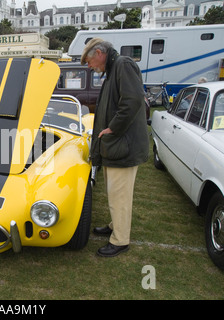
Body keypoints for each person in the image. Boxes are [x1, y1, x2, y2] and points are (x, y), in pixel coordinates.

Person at [81, 38, 149, 257]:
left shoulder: (122, 64)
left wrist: (113, 128)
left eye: (90, 62)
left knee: (119, 194)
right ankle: (115, 224)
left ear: (100, 53)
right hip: (117, 145)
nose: (90, 67)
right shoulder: (114, 68)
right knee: (115, 191)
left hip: (123, 144)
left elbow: (133, 100)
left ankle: (120, 240)